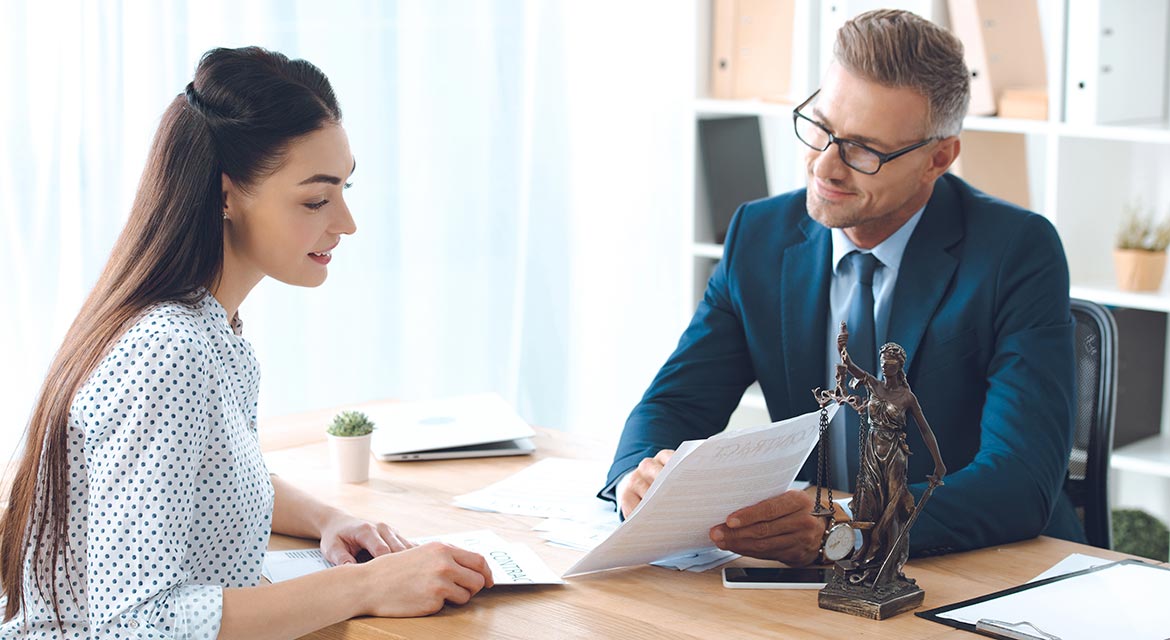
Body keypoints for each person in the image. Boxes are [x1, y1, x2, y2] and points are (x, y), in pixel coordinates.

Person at [0, 47, 493, 639]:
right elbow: (137, 625)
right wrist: (365, 587)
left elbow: (212, 477)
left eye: (344, 188)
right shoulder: (168, 351)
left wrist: (331, 520)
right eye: (316, 199)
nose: (346, 222)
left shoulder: (214, 330)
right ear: (227, 195)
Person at [602, 9, 1081, 567]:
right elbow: (677, 403)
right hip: (813, 581)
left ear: (938, 158)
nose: (824, 165)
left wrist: (851, 529)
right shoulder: (759, 236)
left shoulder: (1015, 252)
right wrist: (638, 477)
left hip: (978, 565)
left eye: (864, 150)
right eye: (821, 128)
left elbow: (1020, 481)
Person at [835, 339, 945, 586]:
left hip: (895, 454)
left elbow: (926, 431)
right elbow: (851, 366)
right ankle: (867, 549)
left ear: (899, 366)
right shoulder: (873, 385)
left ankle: (890, 561)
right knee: (866, 502)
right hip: (872, 450)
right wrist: (842, 347)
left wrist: (939, 463)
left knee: (892, 507)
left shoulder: (907, 397)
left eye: (890, 364)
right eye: (883, 363)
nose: (885, 368)